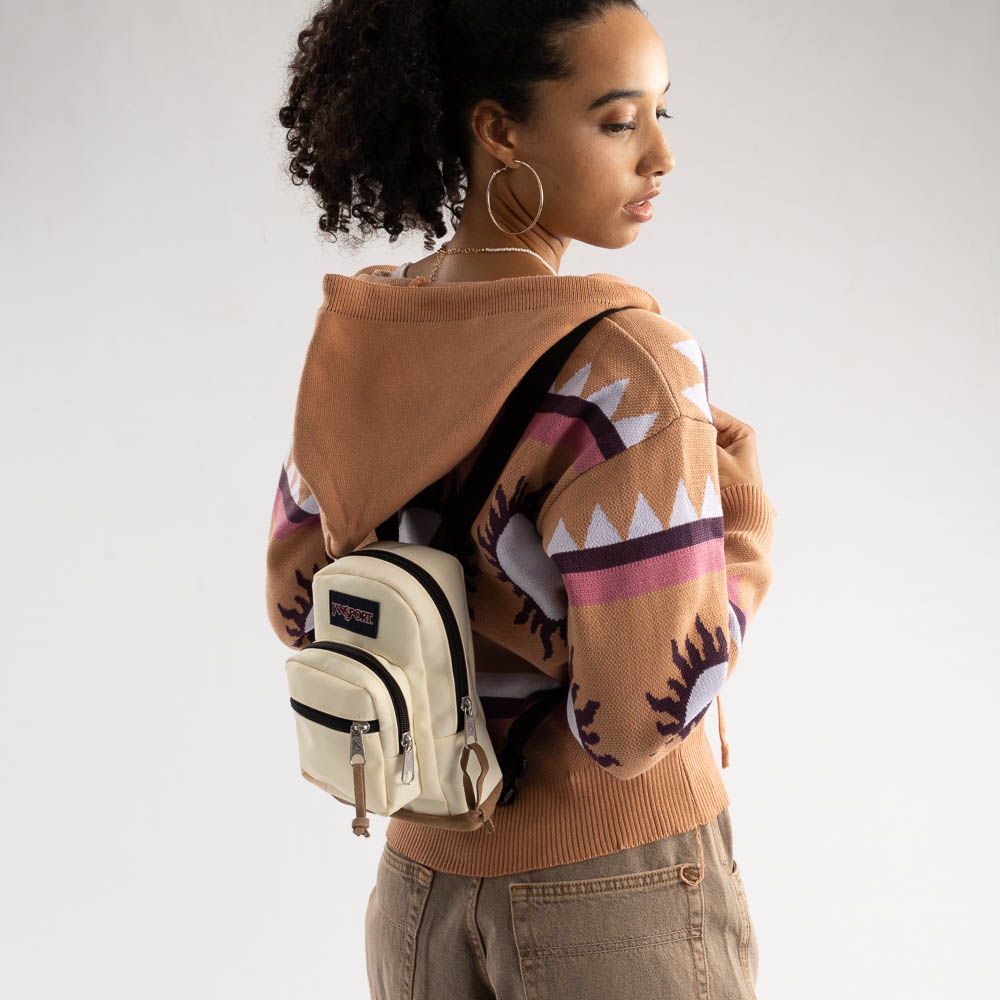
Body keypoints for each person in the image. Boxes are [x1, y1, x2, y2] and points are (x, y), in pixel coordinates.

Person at [266, 1, 777, 997]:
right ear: (500, 130)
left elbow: (298, 606)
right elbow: (638, 719)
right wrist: (743, 533)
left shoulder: (363, 334)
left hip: (418, 889)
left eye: (664, 114)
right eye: (618, 119)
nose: (660, 157)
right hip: (613, 888)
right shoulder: (628, 366)